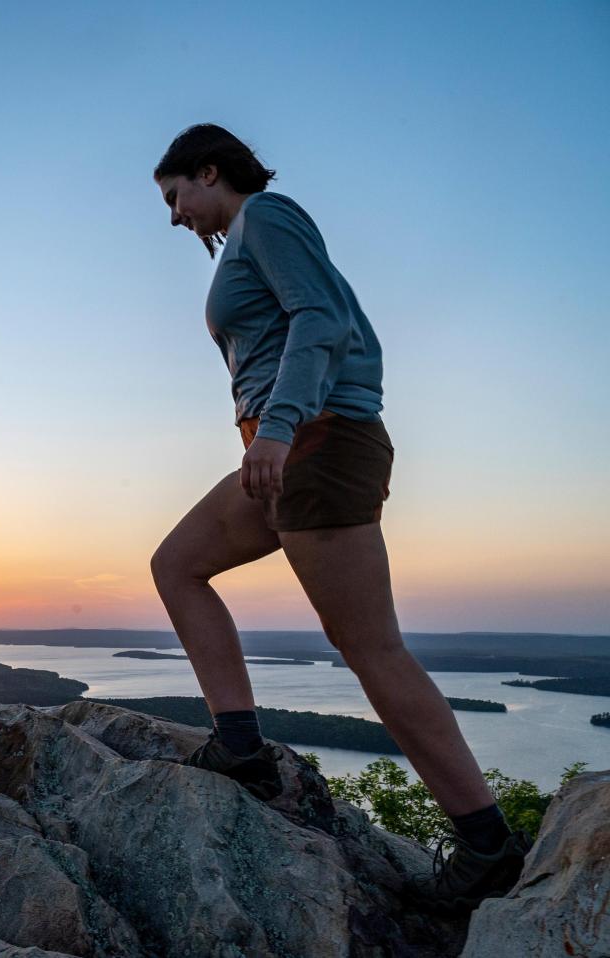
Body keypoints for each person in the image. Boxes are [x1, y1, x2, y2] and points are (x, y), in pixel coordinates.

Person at [148, 123, 530, 914]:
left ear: (210, 171)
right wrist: (270, 433)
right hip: (284, 448)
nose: (175, 215)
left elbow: (324, 320)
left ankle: (487, 844)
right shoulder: (248, 235)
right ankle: (243, 747)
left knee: (370, 647)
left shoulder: (268, 217)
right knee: (176, 565)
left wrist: (281, 428)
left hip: (315, 444)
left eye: (176, 195)